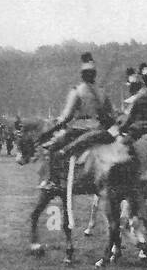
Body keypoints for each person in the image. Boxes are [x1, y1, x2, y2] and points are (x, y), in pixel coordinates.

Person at [38, 53, 114, 190]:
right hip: (101, 130)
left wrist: (51, 130)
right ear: (94, 75)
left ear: (82, 75)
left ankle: (53, 181)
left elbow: (66, 117)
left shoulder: (77, 91)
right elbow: (111, 114)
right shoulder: (103, 92)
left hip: (80, 129)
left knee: (53, 149)